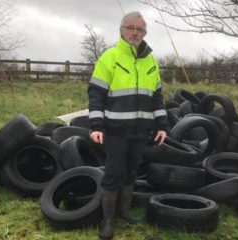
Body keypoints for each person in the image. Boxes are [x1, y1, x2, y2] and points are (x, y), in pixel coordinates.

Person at [87, 11, 168, 240]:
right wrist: (96, 126)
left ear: (145, 33)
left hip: (142, 130)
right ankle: (108, 222)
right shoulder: (109, 57)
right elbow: (96, 95)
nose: (135, 32)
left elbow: (157, 97)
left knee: (131, 172)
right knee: (113, 173)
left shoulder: (151, 61)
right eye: (130, 27)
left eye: (140, 29)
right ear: (121, 29)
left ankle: (124, 212)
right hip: (115, 130)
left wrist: (162, 125)